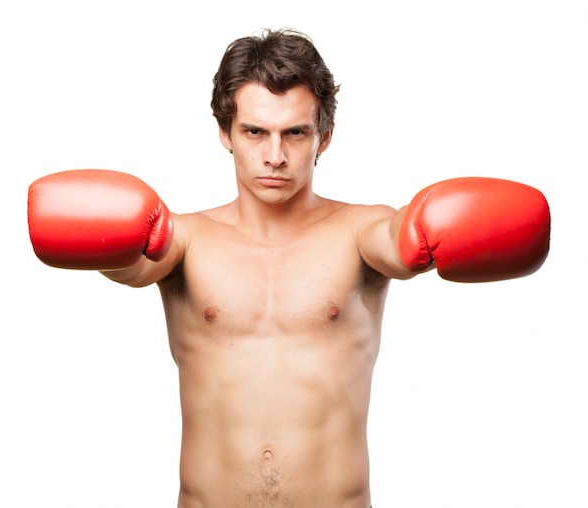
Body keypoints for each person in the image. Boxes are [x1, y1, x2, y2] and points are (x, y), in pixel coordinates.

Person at [27, 28, 550, 508]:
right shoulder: (184, 238)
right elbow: (134, 263)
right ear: (224, 133)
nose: (274, 156)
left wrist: (425, 233)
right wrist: (108, 244)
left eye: (294, 134)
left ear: (324, 136)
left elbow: (398, 242)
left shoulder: (360, 232)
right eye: (255, 131)